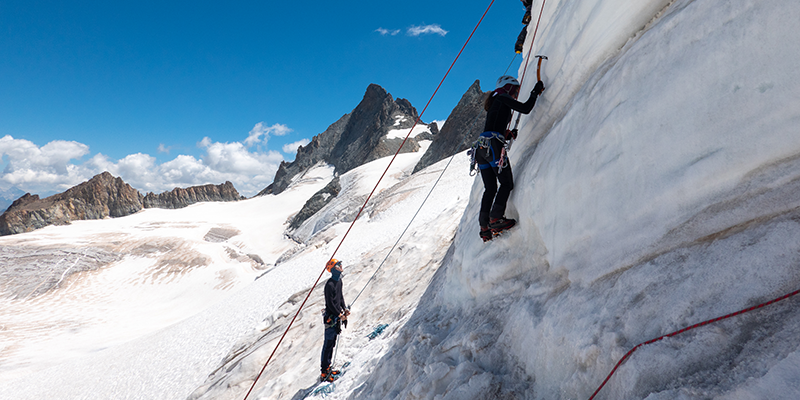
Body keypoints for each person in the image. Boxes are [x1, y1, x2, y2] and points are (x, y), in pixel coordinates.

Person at [475, 75, 544, 241]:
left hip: (481, 148)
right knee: (506, 183)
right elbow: (526, 108)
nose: (515, 94)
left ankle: (484, 228)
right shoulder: (503, 96)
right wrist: (535, 92)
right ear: (508, 87)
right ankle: (496, 219)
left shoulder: (494, 100)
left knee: (490, 188)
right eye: (515, 90)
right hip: (493, 146)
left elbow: (494, 125)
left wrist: (506, 134)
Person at [320, 259, 350, 382]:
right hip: (331, 318)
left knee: (331, 344)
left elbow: (340, 297)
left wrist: (344, 308)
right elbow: (330, 303)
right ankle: (324, 372)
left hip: (336, 317)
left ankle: (328, 368)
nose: (341, 266)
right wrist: (339, 313)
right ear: (333, 269)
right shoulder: (330, 284)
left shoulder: (338, 281)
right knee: (328, 344)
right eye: (338, 265)